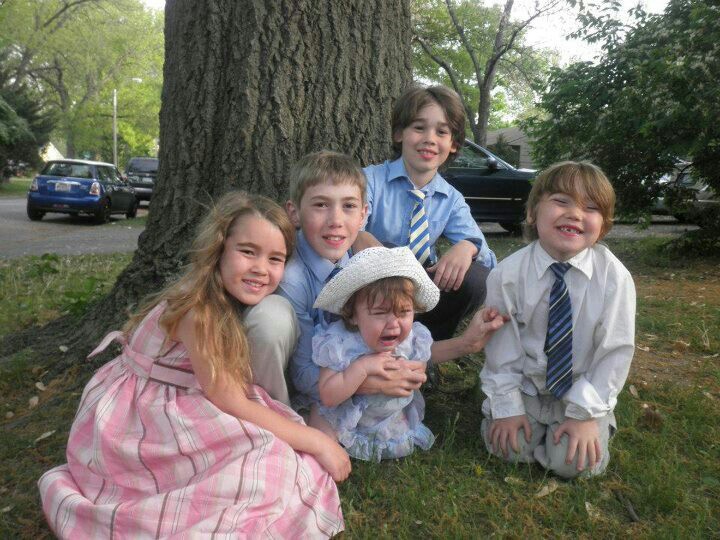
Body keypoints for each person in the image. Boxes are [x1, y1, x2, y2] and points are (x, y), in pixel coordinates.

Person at [38, 192, 348, 538]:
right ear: (218, 249)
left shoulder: (220, 298)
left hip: (186, 394)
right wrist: (316, 441)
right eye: (248, 251)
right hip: (142, 416)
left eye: (275, 258)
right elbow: (231, 401)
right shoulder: (198, 311)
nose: (261, 268)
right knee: (267, 458)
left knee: (270, 454)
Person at [280, 151, 505, 431]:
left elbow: (405, 344)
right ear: (294, 213)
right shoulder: (293, 280)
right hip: (323, 389)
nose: (335, 220)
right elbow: (302, 375)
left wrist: (465, 344)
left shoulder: (368, 266)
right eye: (321, 205)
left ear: (363, 214)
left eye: (348, 206)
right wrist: (375, 381)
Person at [480, 161, 636, 479]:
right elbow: (501, 351)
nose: (575, 214)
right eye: (562, 201)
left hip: (581, 388)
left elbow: (614, 353)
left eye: (590, 208)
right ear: (533, 212)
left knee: (573, 464)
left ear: (604, 226)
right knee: (509, 449)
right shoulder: (507, 275)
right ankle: (526, 426)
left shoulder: (614, 278)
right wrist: (508, 408)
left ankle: (587, 426)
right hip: (528, 387)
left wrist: (584, 415)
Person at [313, 246, 507, 462]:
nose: (393, 324)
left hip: (391, 422)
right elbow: (328, 396)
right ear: (353, 315)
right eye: (380, 313)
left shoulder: (411, 338)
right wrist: (362, 367)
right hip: (349, 424)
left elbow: (427, 354)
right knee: (321, 424)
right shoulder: (341, 343)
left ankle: (386, 437)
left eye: (404, 312)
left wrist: (466, 344)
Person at [361, 84, 496, 341]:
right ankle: (376, 341)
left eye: (442, 132)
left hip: (424, 294)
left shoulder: (451, 199)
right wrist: (363, 239)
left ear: (453, 144)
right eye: (419, 127)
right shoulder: (369, 181)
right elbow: (347, 233)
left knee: (477, 277)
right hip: (374, 289)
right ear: (399, 133)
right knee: (390, 251)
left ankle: (425, 346)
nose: (430, 139)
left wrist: (468, 246)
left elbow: (489, 259)